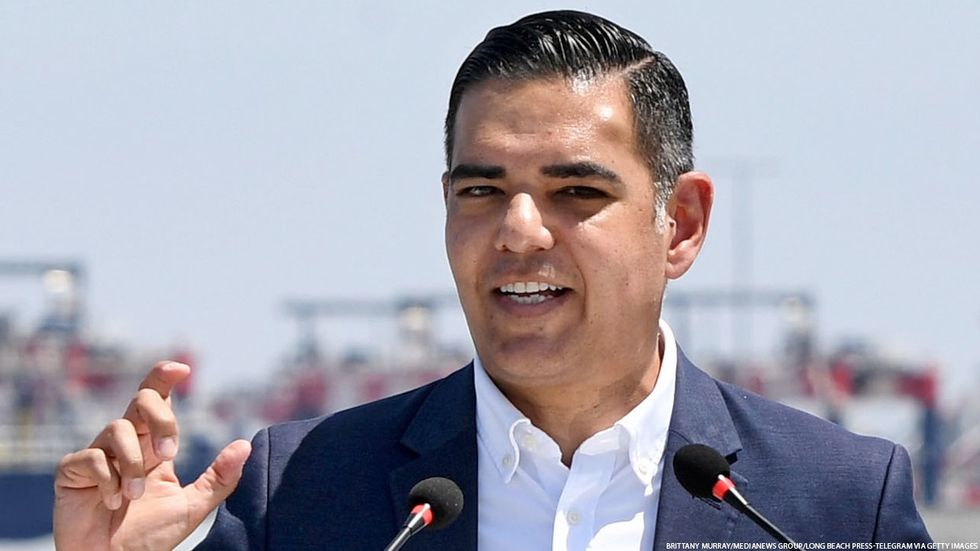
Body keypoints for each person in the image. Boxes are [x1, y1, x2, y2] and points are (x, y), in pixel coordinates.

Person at [53, 10, 932, 550]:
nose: (517, 231)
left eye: (575, 192)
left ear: (683, 224)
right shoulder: (300, 493)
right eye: (481, 191)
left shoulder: (835, 502)